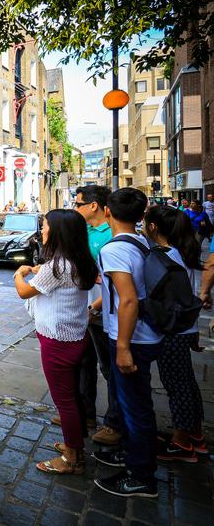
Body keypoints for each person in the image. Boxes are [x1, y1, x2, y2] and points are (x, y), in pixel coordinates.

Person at [13, 210, 99, 475]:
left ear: (59, 231)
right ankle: (74, 443)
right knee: (71, 395)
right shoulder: (78, 261)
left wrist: (20, 272)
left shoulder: (57, 266)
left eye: (46, 226)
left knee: (65, 401)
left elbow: (24, 291)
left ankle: (73, 457)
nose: (43, 231)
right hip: (75, 335)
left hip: (58, 341)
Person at [91, 187, 160, 498]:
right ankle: (132, 456)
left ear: (107, 212)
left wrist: (122, 347)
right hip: (143, 335)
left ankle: (141, 476)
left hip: (131, 338)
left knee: (135, 408)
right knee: (133, 402)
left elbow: (129, 299)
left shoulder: (114, 249)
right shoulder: (140, 241)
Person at [142, 205, 207, 461]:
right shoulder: (184, 253)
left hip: (172, 329)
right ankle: (195, 435)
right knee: (187, 382)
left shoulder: (163, 256)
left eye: (146, 223)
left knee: (176, 384)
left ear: (154, 227)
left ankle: (181, 442)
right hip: (186, 325)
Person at [72, 185, 119, 446]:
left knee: (108, 366)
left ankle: (114, 422)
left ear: (93, 206)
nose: (75, 208)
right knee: (83, 362)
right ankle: (85, 415)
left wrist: (96, 307)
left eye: (78, 204)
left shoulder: (112, 232)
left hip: (102, 310)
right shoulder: (82, 231)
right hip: (83, 307)